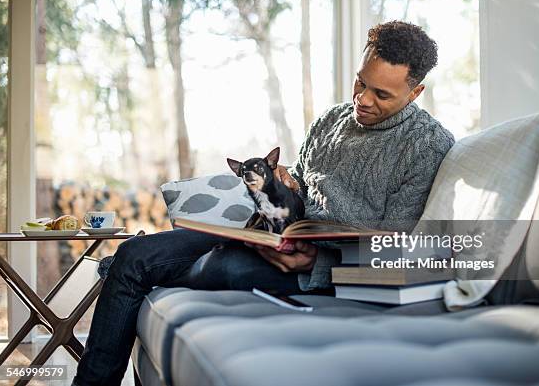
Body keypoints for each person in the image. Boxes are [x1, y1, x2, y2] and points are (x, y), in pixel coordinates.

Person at [73, 20, 455, 386]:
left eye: (381, 94)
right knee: (133, 254)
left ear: (415, 92)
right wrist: (287, 183)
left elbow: (392, 252)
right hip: (270, 233)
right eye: (360, 82)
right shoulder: (331, 119)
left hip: (319, 264)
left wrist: (317, 264)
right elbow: (303, 184)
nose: (362, 99)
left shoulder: (427, 146)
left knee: (226, 266)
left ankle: (134, 274)